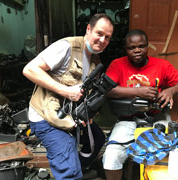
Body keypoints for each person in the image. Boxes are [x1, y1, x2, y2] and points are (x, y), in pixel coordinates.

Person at [22, 13, 114, 180]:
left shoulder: (94, 59)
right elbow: (29, 69)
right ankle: (70, 173)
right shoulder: (67, 47)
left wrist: (89, 112)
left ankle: (79, 166)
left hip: (70, 116)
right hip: (47, 117)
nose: (102, 40)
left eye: (107, 37)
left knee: (98, 138)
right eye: (99, 33)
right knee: (69, 171)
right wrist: (65, 91)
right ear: (89, 29)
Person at [102, 29, 178, 180]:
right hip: (127, 119)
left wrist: (171, 91)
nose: (137, 50)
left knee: (167, 153)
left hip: (157, 117)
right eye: (132, 48)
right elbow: (107, 90)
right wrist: (139, 92)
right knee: (111, 156)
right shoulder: (118, 64)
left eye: (141, 46)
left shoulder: (161, 65)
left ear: (147, 46)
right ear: (126, 49)